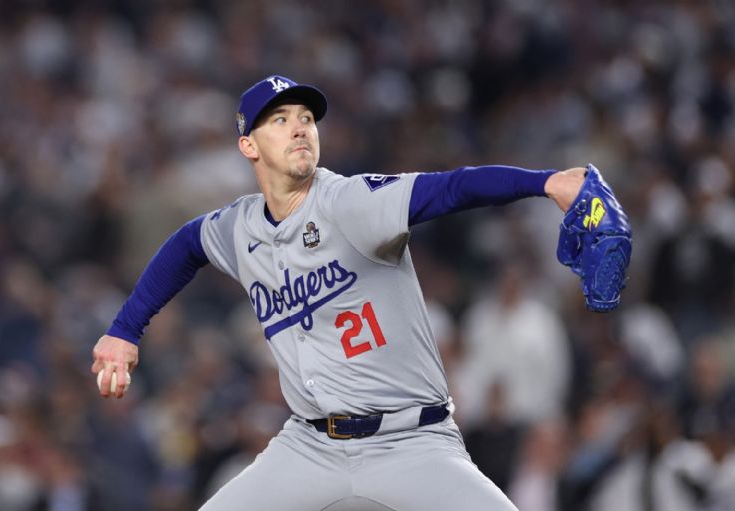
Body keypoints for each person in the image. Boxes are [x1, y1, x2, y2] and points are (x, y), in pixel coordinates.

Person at [92, 74, 588, 510]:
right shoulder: (239, 227)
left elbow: (452, 188)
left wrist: (547, 182)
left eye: (306, 117)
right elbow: (186, 245)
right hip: (310, 448)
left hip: (412, 443)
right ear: (249, 146)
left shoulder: (349, 202)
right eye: (280, 120)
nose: (300, 126)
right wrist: (124, 330)